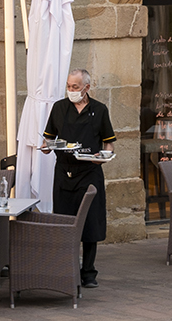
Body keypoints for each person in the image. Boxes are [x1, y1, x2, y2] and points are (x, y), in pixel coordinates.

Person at [44, 67, 117, 288]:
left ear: (86, 87)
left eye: (75, 87)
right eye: (68, 86)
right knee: (64, 221)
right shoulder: (59, 108)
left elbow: (109, 142)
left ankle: (89, 272)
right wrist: (46, 148)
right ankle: (68, 268)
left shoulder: (100, 110)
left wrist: (104, 157)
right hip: (64, 172)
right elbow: (49, 139)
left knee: (90, 222)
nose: (71, 90)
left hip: (89, 173)